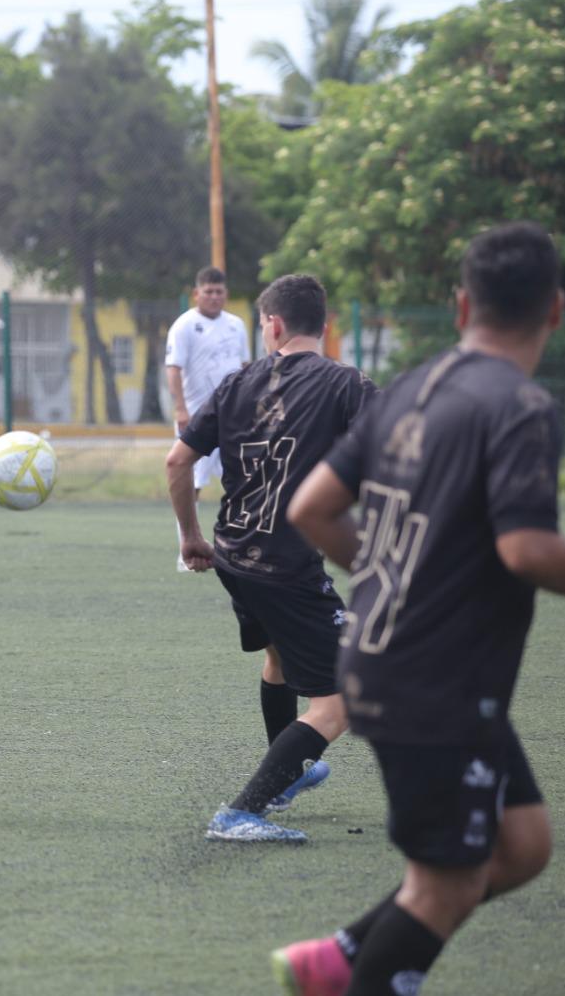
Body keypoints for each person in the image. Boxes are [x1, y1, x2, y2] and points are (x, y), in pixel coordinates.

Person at [272, 222, 565, 996]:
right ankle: (345, 975)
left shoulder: (414, 385)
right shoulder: (521, 406)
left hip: (397, 663)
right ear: (556, 311)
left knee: (524, 844)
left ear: (464, 302)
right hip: (436, 682)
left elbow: (312, 507)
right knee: (446, 887)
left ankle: (337, 955)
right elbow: (528, 550)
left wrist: (390, 576)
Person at [166, 273, 378, 843]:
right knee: (338, 703)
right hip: (287, 566)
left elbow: (177, 463)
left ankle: (283, 781)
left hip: (232, 554)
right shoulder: (348, 384)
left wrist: (190, 537)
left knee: (280, 659)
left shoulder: (238, 382)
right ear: (323, 326)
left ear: (275, 325)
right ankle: (241, 811)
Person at [166, 266, 251, 571]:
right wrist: (180, 409)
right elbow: (173, 368)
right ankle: (186, 550)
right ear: (196, 293)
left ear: (225, 294)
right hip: (198, 417)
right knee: (192, 481)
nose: (214, 297)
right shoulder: (185, 326)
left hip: (234, 418)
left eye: (219, 292)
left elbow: (244, 368)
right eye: (208, 291)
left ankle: (243, 550)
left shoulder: (236, 325)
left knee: (243, 481)